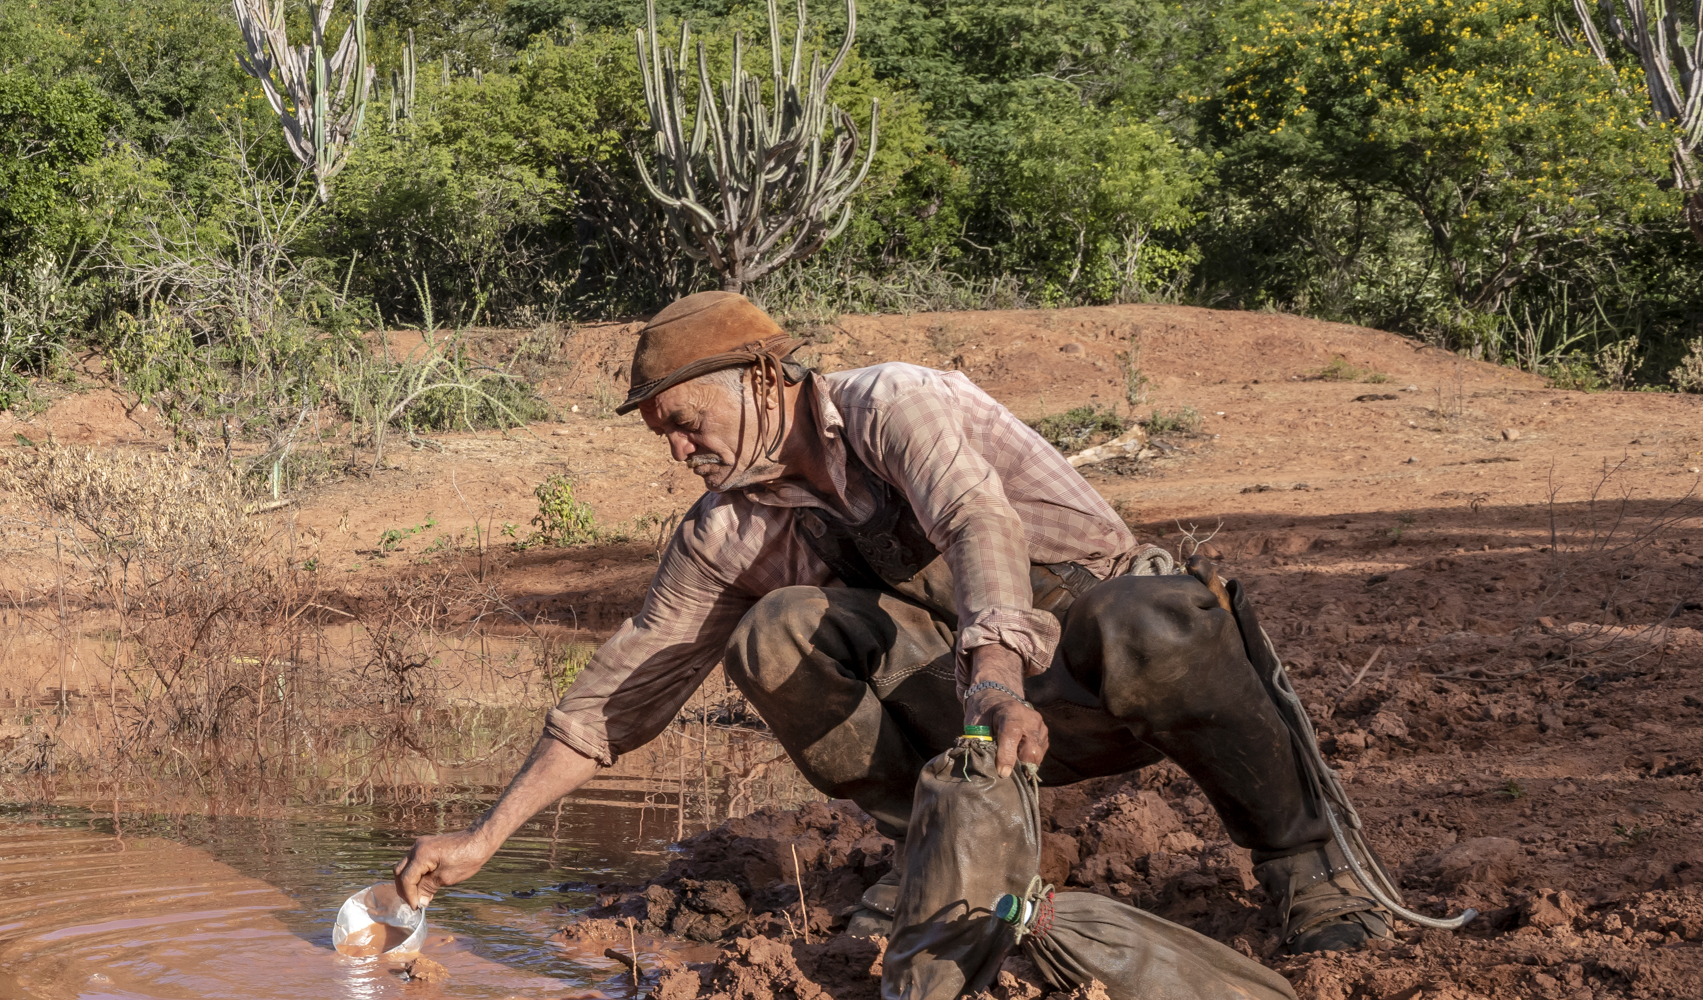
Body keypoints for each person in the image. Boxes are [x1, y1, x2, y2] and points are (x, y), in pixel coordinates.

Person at [391, 291, 1389, 954]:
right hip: (981, 721)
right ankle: (957, 863)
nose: (681, 449)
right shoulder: (725, 530)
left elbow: (975, 516)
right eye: (665, 435)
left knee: (1154, 624)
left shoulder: (892, 403)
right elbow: (622, 690)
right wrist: (484, 841)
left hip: (1093, 658)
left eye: (686, 421)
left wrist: (998, 677)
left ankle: (1307, 869)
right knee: (773, 633)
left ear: (762, 378)